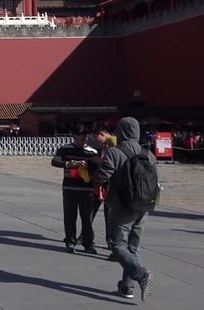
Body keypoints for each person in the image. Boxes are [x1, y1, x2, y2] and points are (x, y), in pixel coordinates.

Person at [95, 117, 157, 302]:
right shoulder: (148, 153)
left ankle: (140, 274)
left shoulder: (114, 152)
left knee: (117, 245)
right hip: (144, 205)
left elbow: (101, 177)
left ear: (121, 132)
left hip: (122, 206)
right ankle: (127, 287)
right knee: (133, 246)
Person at [50, 124, 99, 254]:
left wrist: (87, 164)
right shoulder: (65, 149)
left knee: (87, 217)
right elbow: (55, 161)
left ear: (86, 137)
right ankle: (70, 241)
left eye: (82, 139)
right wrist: (68, 164)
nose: (80, 142)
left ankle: (88, 243)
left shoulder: (92, 151)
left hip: (87, 188)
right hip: (69, 186)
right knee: (70, 215)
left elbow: (98, 168)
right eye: (77, 139)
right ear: (73, 137)